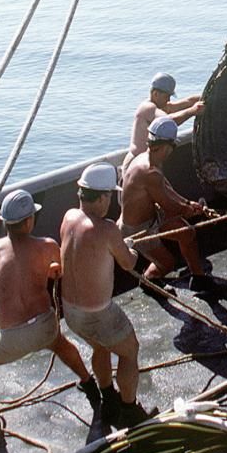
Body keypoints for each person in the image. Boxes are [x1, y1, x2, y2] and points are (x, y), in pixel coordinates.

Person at [0, 188, 98, 437]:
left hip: (11, 341)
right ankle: (89, 383)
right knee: (60, 344)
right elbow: (60, 270)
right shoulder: (48, 246)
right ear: (30, 220)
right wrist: (53, 269)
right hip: (45, 326)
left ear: (5, 222)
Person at [60, 163, 151, 429]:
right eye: (109, 196)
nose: (110, 201)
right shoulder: (107, 229)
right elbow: (128, 264)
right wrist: (130, 248)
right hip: (99, 313)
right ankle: (129, 409)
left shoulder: (68, 218)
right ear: (101, 197)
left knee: (100, 346)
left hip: (71, 313)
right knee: (129, 350)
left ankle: (107, 394)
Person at [119, 117, 212, 286]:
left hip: (152, 215)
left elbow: (165, 189)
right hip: (139, 228)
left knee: (187, 234)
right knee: (167, 263)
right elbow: (170, 207)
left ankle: (199, 278)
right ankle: (149, 281)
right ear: (167, 146)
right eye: (173, 146)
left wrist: (187, 202)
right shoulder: (149, 172)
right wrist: (188, 209)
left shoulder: (149, 160)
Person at [123, 71, 204, 170]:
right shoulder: (147, 107)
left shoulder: (161, 106)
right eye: (166, 96)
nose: (169, 100)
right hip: (136, 163)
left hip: (147, 161)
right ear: (155, 94)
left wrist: (204, 97)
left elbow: (187, 102)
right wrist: (193, 111)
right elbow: (167, 122)